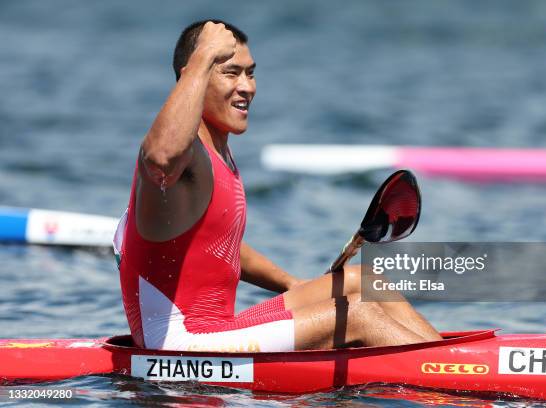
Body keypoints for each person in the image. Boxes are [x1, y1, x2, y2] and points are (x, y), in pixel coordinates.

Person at [114, 19, 441, 352]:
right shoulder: (180, 159)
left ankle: (449, 358)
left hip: (219, 330)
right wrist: (202, 57)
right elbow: (159, 157)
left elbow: (213, 243)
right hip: (178, 343)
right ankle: (456, 376)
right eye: (230, 73)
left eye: (250, 73)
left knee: (361, 281)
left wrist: (291, 284)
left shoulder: (218, 153)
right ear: (194, 75)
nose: (247, 87)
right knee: (357, 313)